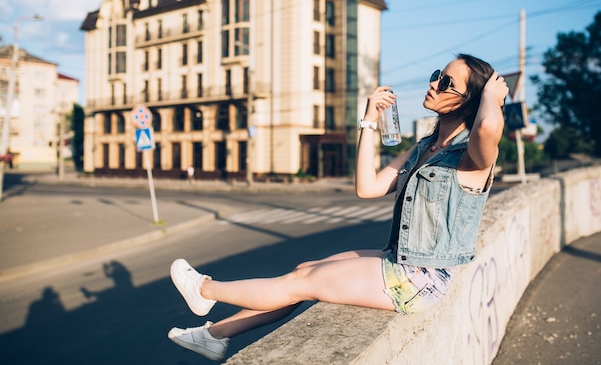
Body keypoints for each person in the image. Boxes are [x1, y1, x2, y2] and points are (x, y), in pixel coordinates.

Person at [167, 53, 509, 361]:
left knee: (302, 283)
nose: (433, 83)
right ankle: (214, 335)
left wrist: (492, 96)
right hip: (400, 260)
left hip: (420, 279)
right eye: (437, 74)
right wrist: (368, 121)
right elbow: (367, 187)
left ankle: (205, 290)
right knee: (305, 268)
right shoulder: (426, 147)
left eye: (446, 82)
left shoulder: (472, 158)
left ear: (469, 101)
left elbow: (489, 126)